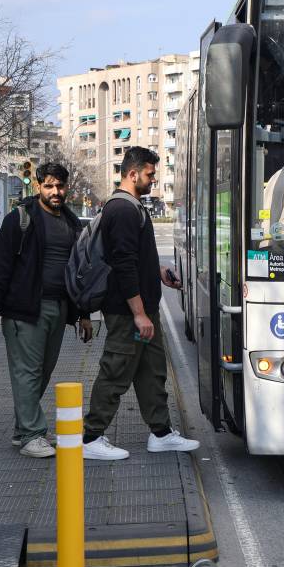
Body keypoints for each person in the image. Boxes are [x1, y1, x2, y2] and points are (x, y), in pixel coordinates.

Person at [82, 146, 198, 461]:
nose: (153, 179)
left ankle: (160, 434)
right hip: (128, 313)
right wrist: (138, 314)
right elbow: (123, 264)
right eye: (149, 174)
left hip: (144, 310)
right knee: (116, 371)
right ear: (133, 174)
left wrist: (157, 272)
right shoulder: (121, 209)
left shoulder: (133, 206)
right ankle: (90, 437)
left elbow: (135, 258)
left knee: (151, 372)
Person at [0, 162, 94, 458]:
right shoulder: (21, 219)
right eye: (49, 186)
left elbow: (79, 269)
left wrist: (83, 313)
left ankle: (23, 431)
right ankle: (32, 434)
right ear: (38, 186)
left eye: (60, 186)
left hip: (59, 307)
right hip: (25, 310)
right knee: (27, 373)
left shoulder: (70, 220)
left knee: (42, 372)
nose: (56, 191)